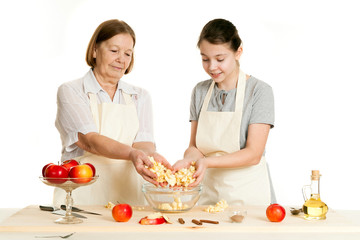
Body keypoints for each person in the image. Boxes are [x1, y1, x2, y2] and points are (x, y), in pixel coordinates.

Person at [54, 19, 171, 205]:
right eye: (114, 51)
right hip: (83, 196)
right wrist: (133, 154)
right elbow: (89, 141)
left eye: (128, 53)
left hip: (129, 196)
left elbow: (143, 143)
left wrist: (150, 156)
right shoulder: (72, 91)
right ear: (94, 50)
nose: (121, 59)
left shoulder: (140, 96)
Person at [173, 18, 276, 206]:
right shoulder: (200, 91)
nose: (212, 66)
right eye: (205, 59)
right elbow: (194, 146)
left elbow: (254, 153)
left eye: (220, 59)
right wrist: (188, 161)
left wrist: (206, 162)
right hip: (208, 196)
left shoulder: (259, 91)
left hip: (248, 197)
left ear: (238, 52)